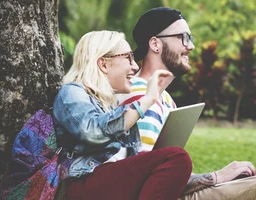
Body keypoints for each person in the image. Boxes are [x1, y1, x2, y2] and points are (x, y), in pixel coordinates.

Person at [117, 7, 256, 199]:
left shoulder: (166, 100)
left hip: (173, 191)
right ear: (155, 44)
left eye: (190, 38)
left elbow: (168, 175)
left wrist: (227, 178)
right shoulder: (140, 97)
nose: (190, 46)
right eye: (183, 37)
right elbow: (148, 180)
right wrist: (219, 176)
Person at [53, 30, 192, 199]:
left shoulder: (111, 103)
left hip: (108, 181)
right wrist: (147, 100)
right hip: (83, 184)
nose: (135, 66)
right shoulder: (72, 92)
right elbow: (92, 132)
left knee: (171, 161)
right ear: (103, 64)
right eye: (128, 58)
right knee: (176, 158)